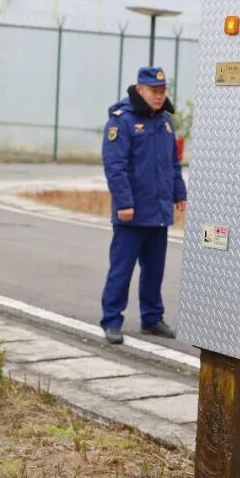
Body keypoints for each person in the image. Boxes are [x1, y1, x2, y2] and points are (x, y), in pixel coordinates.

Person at [99, 67, 187, 345]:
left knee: (154, 271)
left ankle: (152, 318)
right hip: (132, 214)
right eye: (154, 91)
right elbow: (115, 166)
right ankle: (112, 320)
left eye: (162, 91)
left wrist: (179, 192)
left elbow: (172, 163)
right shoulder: (122, 121)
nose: (159, 96)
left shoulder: (165, 122)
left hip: (158, 212)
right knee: (121, 270)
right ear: (140, 90)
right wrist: (124, 203)